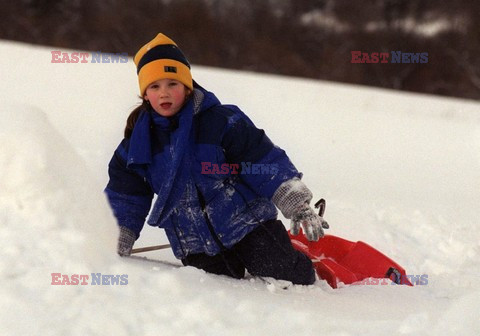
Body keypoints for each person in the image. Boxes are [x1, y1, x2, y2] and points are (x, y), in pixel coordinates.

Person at [105, 33, 329, 285]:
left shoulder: (220, 122)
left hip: (248, 225)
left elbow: (261, 161)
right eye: (155, 86)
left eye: (172, 84)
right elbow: (126, 194)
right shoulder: (139, 143)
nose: (164, 93)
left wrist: (295, 203)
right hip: (194, 243)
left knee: (287, 275)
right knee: (215, 286)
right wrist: (118, 234)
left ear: (187, 87)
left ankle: (309, 265)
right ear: (145, 94)